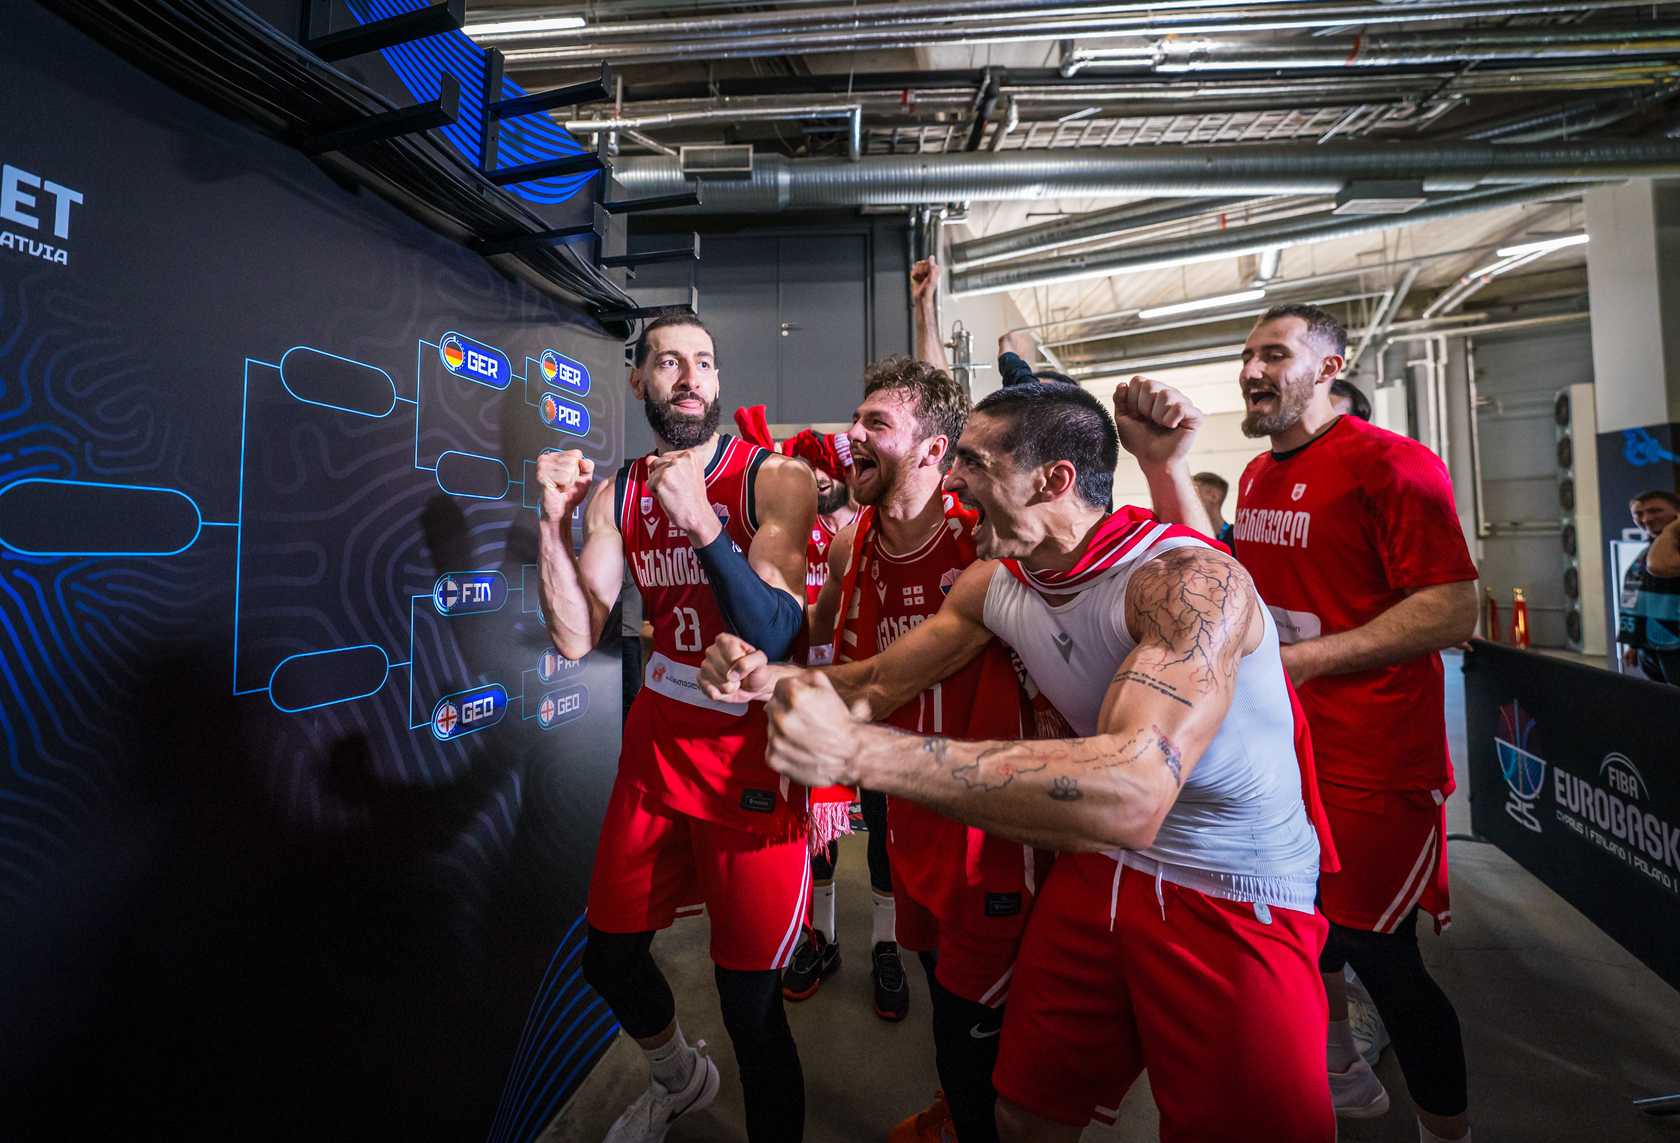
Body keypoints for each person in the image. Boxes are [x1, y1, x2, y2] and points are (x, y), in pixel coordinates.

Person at [703, 381, 1336, 1143]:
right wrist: (767, 677)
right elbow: (876, 683)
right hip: (1103, 865)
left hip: (1230, 881)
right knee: (1024, 1113)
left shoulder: (1186, 582)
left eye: (973, 462)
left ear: (1053, 479)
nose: (953, 477)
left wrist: (867, 753)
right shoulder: (997, 583)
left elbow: (1135, 791)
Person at [535, 313, 817, 1143]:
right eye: (668, 362)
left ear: (719, 381)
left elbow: (776, 630)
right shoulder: (617, 491)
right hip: (657, 747)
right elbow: (575, 636)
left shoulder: (773, 478)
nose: (689, 377)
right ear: (640, 381)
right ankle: (679, 1078)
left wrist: (703, 522)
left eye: (703, 362)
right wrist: (550, 522)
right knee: (608, 955)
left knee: (750, 1004)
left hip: (749, 758)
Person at [1233, 303, 1479, 1142]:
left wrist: (1308, 661)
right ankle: (1345, 1069)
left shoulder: (1393, 464)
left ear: (1329, 367)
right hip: (1286, 753)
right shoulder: (1255, 477)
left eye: (1275, 354)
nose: (1253, 369)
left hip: (1378, 761)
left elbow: (1452, 608)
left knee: (1382, 952)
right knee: (1305, 925)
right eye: (1248, 355)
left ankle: (1447, 1132)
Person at [731, 406, 901, 1012]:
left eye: (828, 470)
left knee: (883, 821)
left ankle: (886, 942)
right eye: (809, 471)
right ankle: (820, 936)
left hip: (870, 691)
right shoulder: (781, 531)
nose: (821, 480)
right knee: (814, 825)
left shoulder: (873, 530)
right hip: (805, 689)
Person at [1619, 490, 1680, 684]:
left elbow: (1658, 566)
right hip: (1650, 647)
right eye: (1638, 514)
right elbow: (1635, 597)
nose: (1646, 519)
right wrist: (1633, 643)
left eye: (1655, 511)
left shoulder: (1664, 553)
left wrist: (1672, 530)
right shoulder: (1646, 552)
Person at [1192, 471, 1236, 549]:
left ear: (1214, 496)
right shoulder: (1190, 538)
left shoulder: (1236, 539)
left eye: (1195, 492)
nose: (1190, 498)